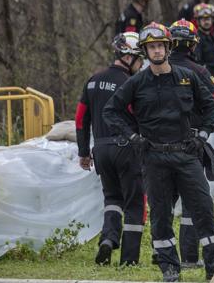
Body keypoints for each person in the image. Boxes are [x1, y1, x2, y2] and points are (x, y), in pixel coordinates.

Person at [103, 22, 214, 282]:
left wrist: (202, 135)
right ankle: (170, 271)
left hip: (187, 155)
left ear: (168, 47)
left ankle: (213, 268)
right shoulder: (137, 82)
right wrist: (133, 137)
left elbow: (212, 107)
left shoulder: (187, 77)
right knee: (160, 216)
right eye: (151, 47)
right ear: (145, 51)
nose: (157, 51)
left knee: (203, 210)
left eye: (160, 46)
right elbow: (111, 111)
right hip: (154, 159)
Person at [75, 32, 145, 266]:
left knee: (112, 199)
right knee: (135, 202)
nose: (142, 64)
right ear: (129, 57)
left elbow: (80, 119)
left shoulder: (93, 80)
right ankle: (129, 259)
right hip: (126, 148)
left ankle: (108, 239)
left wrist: (84, 151)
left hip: (101, 150)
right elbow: (140, 116)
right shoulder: (131, 83)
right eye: (140, 58)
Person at [167, 19, 214, 270]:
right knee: (193, 203)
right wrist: (203, 127)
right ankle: (190, 258)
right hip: (190, 145)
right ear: (193, 44)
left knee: (162, 205)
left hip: (156, 147)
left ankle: (164, 256)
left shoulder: (152, 72)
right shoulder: (199, 72)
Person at [193, 4, 214, 77]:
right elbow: (197, 63)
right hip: (205, 78)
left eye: (208, 19)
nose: (206, 22)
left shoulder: (211, 36)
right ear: (198, 21)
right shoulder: (197, 39)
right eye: (203, 19)